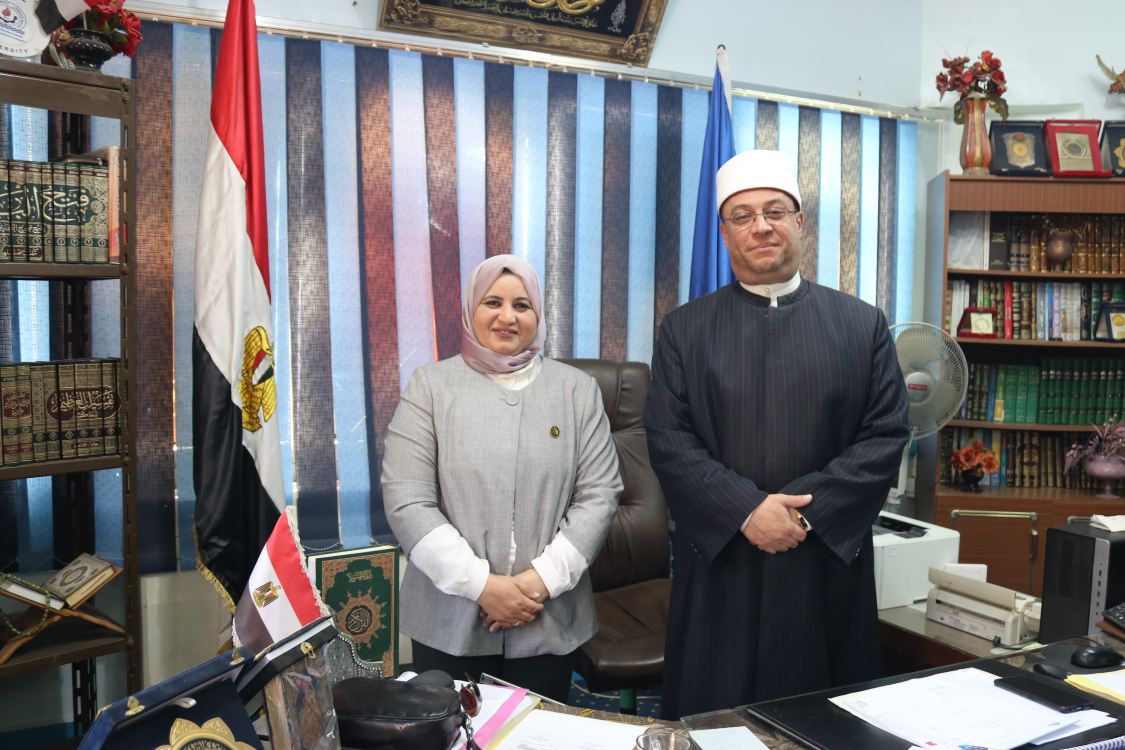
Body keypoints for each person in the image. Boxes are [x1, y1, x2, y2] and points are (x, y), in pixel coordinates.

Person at [645, 150, 910, 718]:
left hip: (823, 564)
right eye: (742, 216)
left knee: (822, 724)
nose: (761, 226)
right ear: (724, 233)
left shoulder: (861, 325)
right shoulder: (684, 330)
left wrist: (803, 517)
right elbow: (669, 439)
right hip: (722, 565)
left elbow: (885, 434)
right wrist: (746, 511)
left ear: (799, 222)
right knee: (714, 726)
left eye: (775, 211)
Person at [382, 254, 622, 703]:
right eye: (493, 302)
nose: (507, 317)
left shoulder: (576, 390)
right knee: (450, 729)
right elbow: (407, 500)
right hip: (449, 618)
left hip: (547, 616)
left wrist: (534, 586)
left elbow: (600, 495)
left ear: (538, 315)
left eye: (522, 305)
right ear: (470, 309)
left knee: (540, 731)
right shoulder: (429, 387)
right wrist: (482, 587)